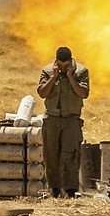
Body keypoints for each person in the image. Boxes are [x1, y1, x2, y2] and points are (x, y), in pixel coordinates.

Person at [37, 46, 90, 198]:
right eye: (59, 65)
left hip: (71, 119)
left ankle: (70, 189)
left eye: (66, 66)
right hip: (52, 118)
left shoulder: (81, 72)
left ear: (71, 62)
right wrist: (54, 77)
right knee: (51, 154)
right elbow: (42, 93)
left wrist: (71, 77)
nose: (62, 68)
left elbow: (83, 93)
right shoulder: (48, 71)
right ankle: (54, 188)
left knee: (70, 154)